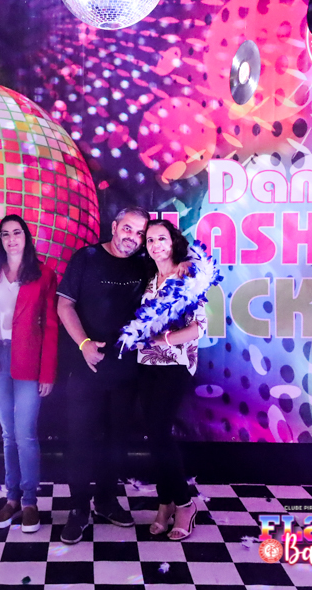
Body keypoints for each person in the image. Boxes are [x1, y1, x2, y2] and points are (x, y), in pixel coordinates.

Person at [56, 207, 150, 544]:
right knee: (80, 439)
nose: (133, 237)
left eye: (140, 233)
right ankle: (79, 508)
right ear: (114, 226)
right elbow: (64, 305)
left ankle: (107, 501)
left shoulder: (144, 264)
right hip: (87, 367)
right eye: (128, 229)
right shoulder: (87, 257)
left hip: (126, 370)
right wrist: (84, 344)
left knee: (117, 441)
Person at [123, 219, 218, 540]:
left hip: (175, 365)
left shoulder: (187, 275)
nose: (155, 246)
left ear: (173, 241)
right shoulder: (150, 278)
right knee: (154, 435)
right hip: (146, 364)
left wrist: (162, 340)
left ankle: (185, 504)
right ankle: (165, 504)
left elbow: (199, 327)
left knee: (160, 433)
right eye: (150, 240)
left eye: (161, 239)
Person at [0, 214, 58, 533]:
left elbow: (52, 326)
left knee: (25, 434)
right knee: (7, 434)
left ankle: (30, 501)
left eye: (17, 233)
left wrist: (48, 372)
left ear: (26, 237)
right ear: (0, 239)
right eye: (5, 234)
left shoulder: (43, 274)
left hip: (30, 359)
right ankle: (12, 498)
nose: (11, 239)